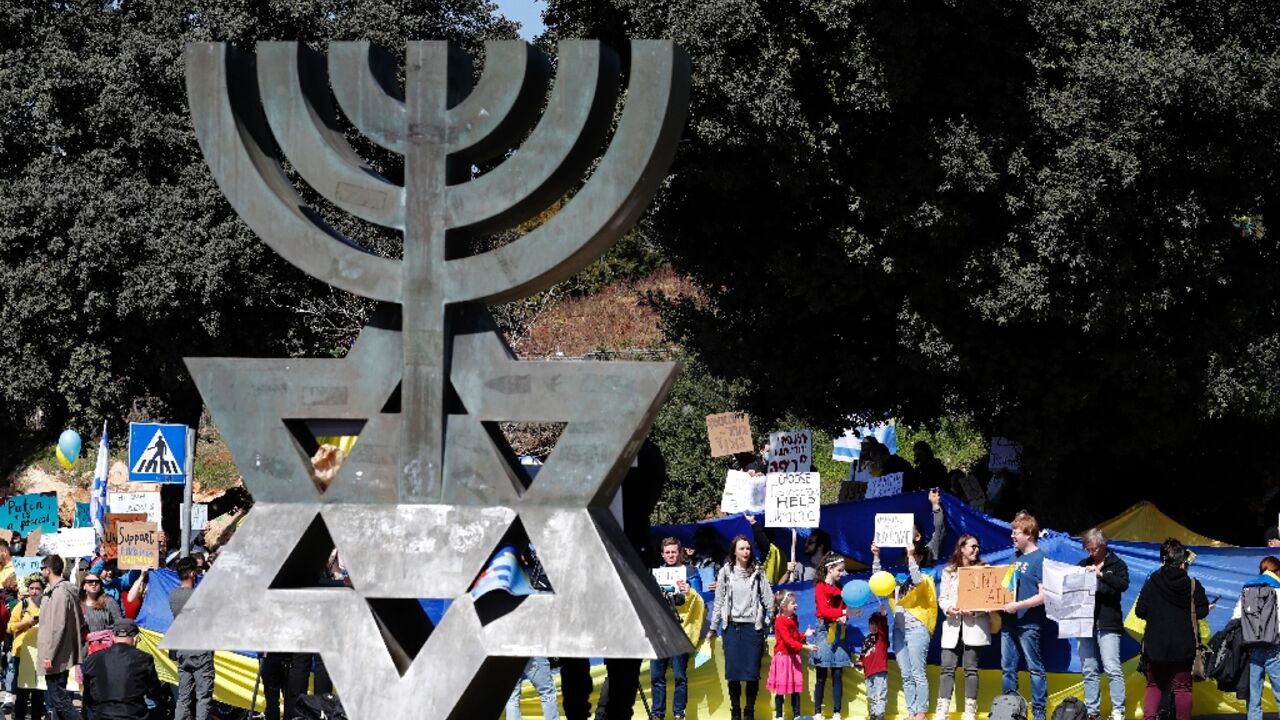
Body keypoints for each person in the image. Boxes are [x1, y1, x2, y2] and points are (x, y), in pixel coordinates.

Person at [1135, 537, 1209, 720]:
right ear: (1182, 562)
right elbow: (1202, 611)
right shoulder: (1192, 584)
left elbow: (1140, 611)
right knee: (1183, 688)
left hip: (1156, 645)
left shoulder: (1152, 582)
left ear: (1163, 560)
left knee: (1154, 686)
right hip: (1183, 645)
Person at [707, 534, 774, 720]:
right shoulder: (725, 572)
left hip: (753, 627)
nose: (746, 551)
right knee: (734, 673)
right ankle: (735, 711)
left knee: (752, 673)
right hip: (732, 628)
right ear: (734, 551)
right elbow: (719, 602)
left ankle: (749, 712)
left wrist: (772, 618)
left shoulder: (758, 572)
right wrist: (713, 627)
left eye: (748, 548)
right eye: (742, 548)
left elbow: (768, 599)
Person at [936, 534, 993, 720]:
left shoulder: (985, 570)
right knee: (947, 668)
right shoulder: (948, 571)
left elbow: (990, 600)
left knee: (971, 669)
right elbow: (942, 598)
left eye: (978, 547)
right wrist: (949, 608)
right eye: (972, 546)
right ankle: (941, 711)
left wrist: (975, 611)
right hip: (953, 625)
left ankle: (970, 712)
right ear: (961, 548)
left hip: (974, 625)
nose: (976, 549)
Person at [1077, 529, 1130, 720]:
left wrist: (1100, 575)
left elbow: (1123, 585)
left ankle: (1118, 711)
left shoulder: (1117, 564)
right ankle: (1092, 711)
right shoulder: (1083, 564)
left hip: (1109, 624)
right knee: (1089, 669)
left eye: (1093, 549)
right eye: (1087, 549)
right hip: (1085, 624)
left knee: (1112, 668)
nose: (1090, 553)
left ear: (1103, 545)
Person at [1000, 512, 1047, 720]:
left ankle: (1038, 712)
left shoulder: (1040, 559)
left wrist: (1018, 605)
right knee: (1007, 668)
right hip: (1008, 622)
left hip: (1028, 623)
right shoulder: (1014, 557)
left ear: (1029, 534)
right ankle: (1009, 711)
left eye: (1016, 532)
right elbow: (1005, 587)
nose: (1012, 536)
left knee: (1034, 668)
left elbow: (1043, 596)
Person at [650, 537, 703, 720]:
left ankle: (679, 713)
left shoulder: (690, 571)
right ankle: (657, 714)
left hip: (681, 631)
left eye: (674, 552)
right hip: (660, 632)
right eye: (667, 552)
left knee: (680, 676)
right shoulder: (657, 573)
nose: (671, 555)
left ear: (680, 553)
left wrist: (689, 591)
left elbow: (701, 600)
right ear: (662, 554)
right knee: (657, 676)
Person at [81, 619, 163, 720]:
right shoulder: (143, 658)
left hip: (101, 715)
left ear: (113, 637)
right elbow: (154, 691)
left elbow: (88, 695)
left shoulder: (93, 659)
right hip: (133, 715)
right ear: (136, 638)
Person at [1232, 555, 1280, 720]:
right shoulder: (1278, 589)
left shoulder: (1247, 588)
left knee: (1254, 695)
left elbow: (1236, 616)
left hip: (1252, 646)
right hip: (1275, 646)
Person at [36, 555, 84, 720]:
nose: (41, 571)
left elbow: (58, 627)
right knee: (59, 699)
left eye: (42, 568)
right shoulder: (59, 591)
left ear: (48, 570)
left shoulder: (59, 593)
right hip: (60, 653)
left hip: (56, 655)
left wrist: (50, 655)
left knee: (59, 699)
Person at [169, 557, 214, 720]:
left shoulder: (173, 595)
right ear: (192, 573)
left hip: (182, 651)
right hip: (200, 651)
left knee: (183, 698)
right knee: (203, 697)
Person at [812, 552, 853, 720]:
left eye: (842, 571)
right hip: (824, 631)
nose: (841, 574)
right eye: (839, 570)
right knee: (821, 674)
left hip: (838, 632)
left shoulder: (841, 589)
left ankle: (837, 711)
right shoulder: (820, 587)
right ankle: (818, 712)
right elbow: (823, 611)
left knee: (837, 673)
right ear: (829, 569)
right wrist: (842, 612)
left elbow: (845, 609)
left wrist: (845, 617)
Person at [767, 590, 815, 720]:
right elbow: (788, 640)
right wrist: (806, 647)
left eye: (795, 603)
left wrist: (805, 634)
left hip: (793, 657)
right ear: (783, 606)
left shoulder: (794, 618)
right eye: (793, 603)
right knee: (781, 690)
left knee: (795, 688)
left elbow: (795, 637)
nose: (796, 605)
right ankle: (778, 716)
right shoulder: (780, 621)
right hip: (783, 658)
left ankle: (797, 715)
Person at [8, 573, 43, 720]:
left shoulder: (47, 605)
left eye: (37, 588)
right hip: (22, 653)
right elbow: (9, 627)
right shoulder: (21, 606)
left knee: (38, 692)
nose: (34, 591)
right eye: (31, 588)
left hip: (40, 653)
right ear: (28, 589)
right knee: (22, 691)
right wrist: (26, 623)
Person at [858, 604, 890, 720]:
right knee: (871, 696)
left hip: (879, 670)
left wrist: (883, 616)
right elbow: (862, 655)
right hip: (868, 673)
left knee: (880, 694)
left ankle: (879, 715)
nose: (874, 627)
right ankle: (873, 715)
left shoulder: (882, 637)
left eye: (876, 624)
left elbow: (884, 627)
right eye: (872, 624)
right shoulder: (867, 640)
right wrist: (860, 663)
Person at [80, 572, 124, 655]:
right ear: (83, 586)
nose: (94, 584)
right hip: (85, 650)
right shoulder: (78, 605)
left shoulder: (109, 602)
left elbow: (120, 624)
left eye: (97, 582)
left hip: (107, 648)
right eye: (90, 581)